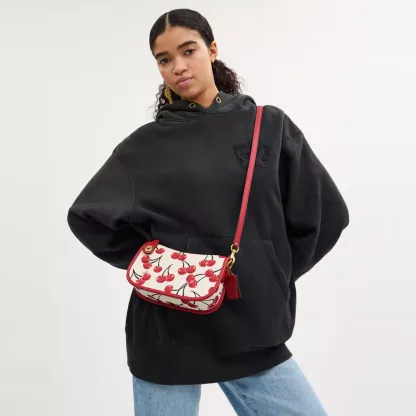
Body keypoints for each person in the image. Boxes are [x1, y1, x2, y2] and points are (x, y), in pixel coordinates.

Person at [67, 8, 349, 416]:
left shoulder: (267, 126)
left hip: (250, 324)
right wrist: (156, 264)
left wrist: (268, 272)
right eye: (164, 59)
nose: (178, 67)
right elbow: (87, 216)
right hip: (167, 327)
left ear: (212, 49)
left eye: (188, 50)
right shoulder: (145, 146)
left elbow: (326, 214)